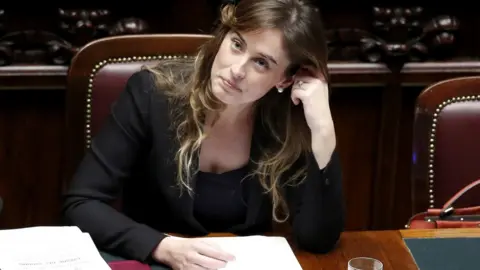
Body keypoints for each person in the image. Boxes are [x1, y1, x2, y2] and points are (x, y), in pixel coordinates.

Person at [62, 0, 345, 269]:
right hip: (154, 263)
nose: (236, 70)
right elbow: (82, 203)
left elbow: (317, 240)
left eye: (261, 63)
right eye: (237, 44)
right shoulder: (151, 93)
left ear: (285, 78)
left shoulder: (283, 122)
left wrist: (322, 130)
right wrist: (160, 246)